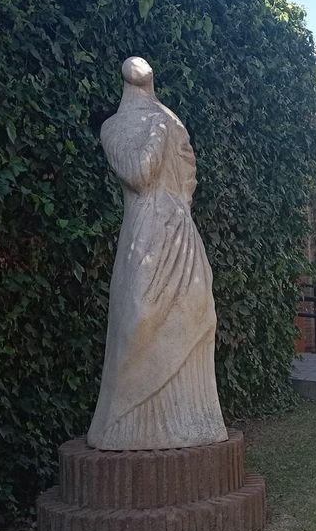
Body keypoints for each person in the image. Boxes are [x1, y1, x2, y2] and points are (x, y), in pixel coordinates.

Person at [86, 57, 228, 451]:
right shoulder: (114, 127)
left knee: (198, 310)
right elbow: (137, 174)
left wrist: (179, 202)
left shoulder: (170, 119)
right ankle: (122, 424)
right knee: (139, 317)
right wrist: (157, 135)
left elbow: (189, 170)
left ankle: (191, 418)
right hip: (144, 228)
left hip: (178, 228)